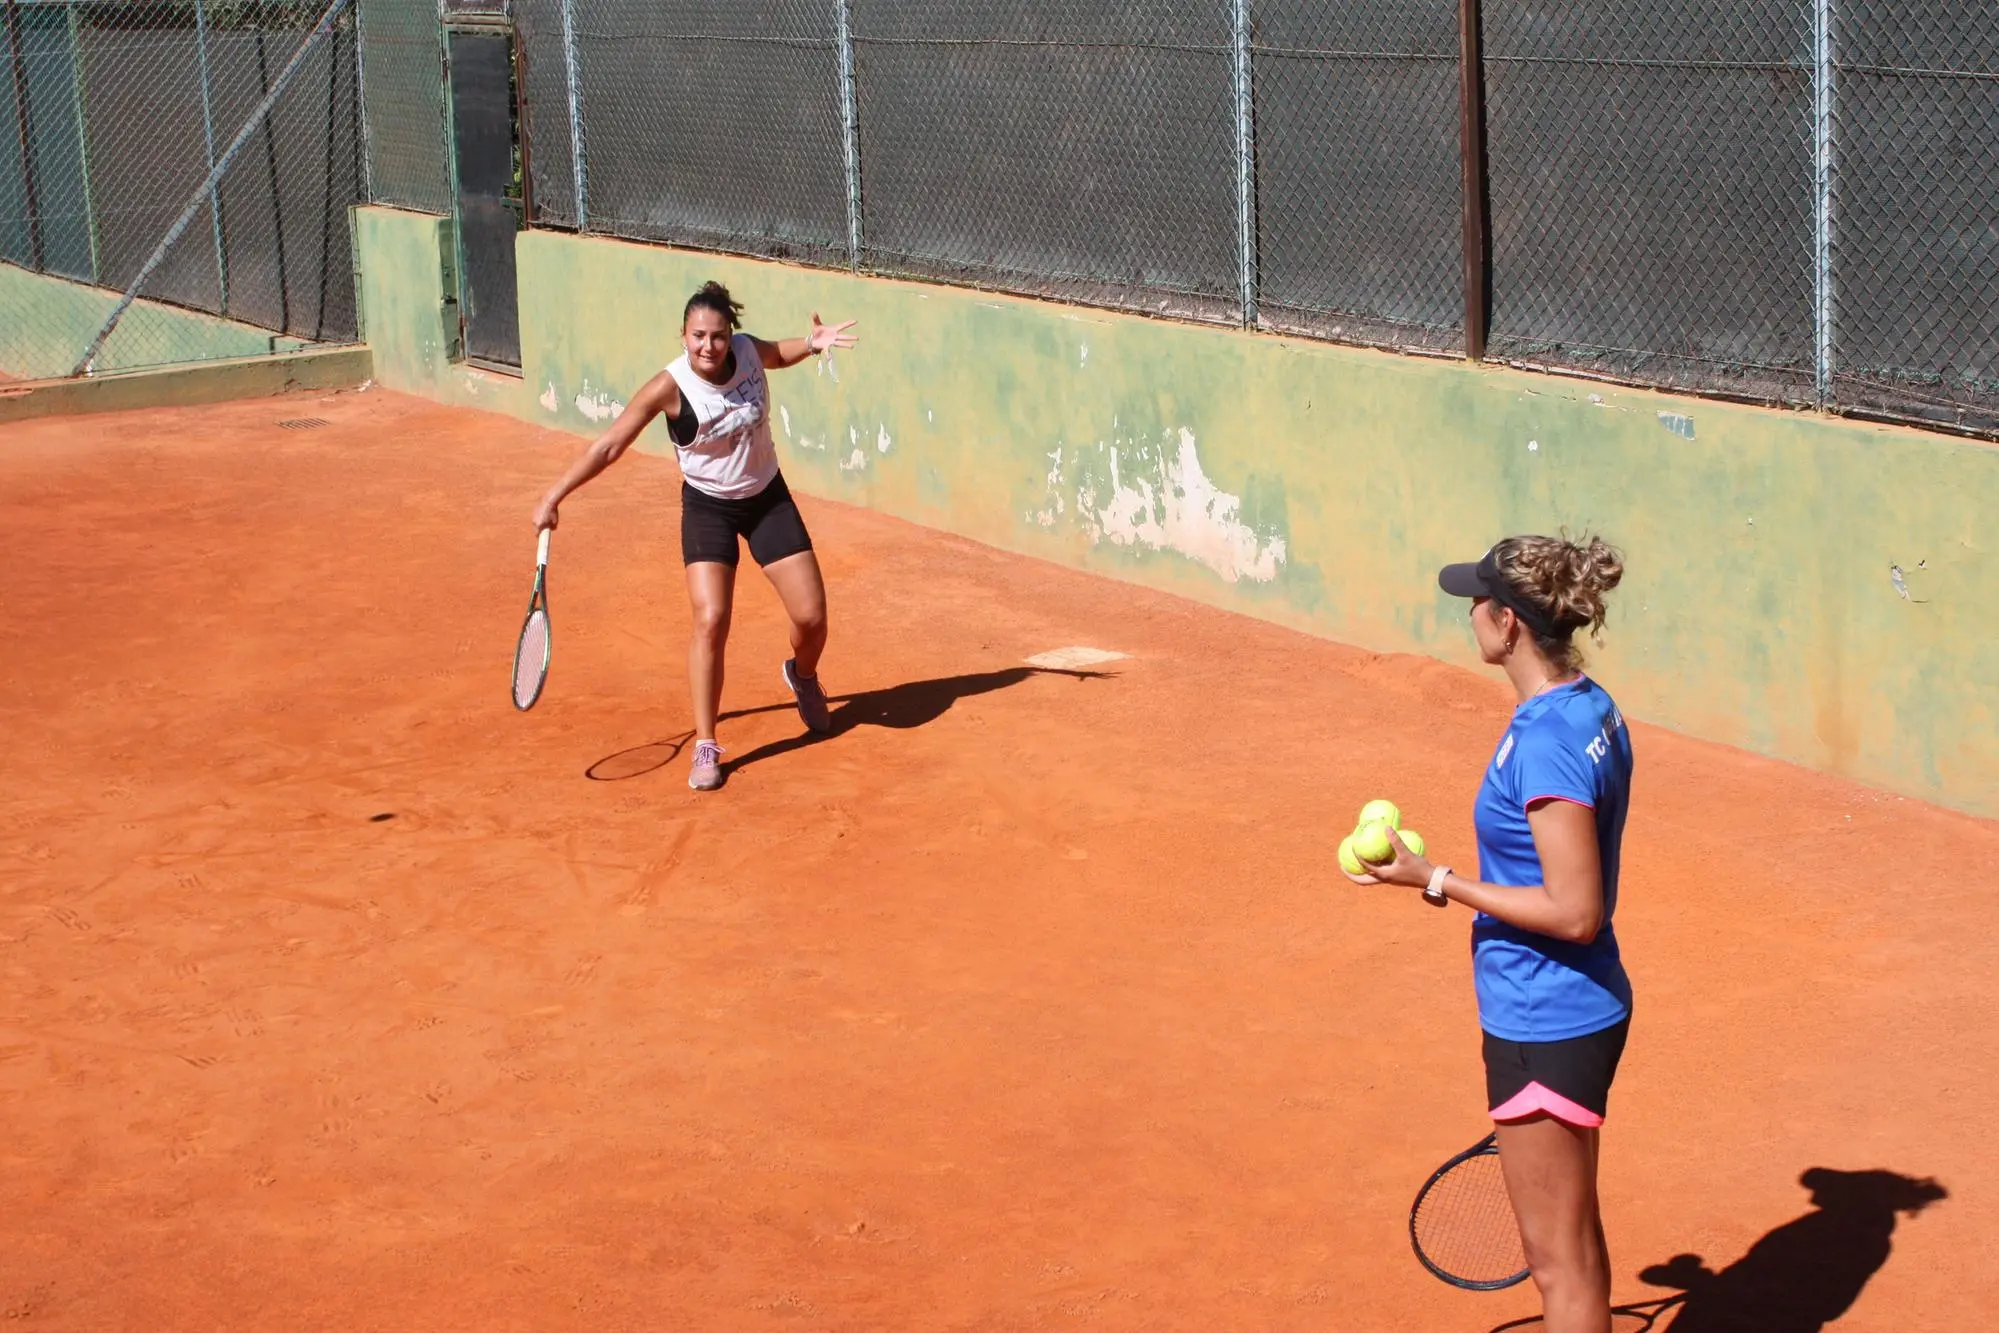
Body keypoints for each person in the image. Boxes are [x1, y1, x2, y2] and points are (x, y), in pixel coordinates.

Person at [1345, 534, 1633, 1333]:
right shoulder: (1586, 705)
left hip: (1543, 1017)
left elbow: (1577, 911)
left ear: (1507, 624)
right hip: (1575, 1010)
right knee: (1575, 1246)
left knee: (1557, 1266)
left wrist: (1434, 878)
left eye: (1476, 600)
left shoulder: (1543, 741)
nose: (1466, 611)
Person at [532, 281, 858, 791]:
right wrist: (555, 495)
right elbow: (610, 446)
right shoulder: (670, 387)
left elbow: (778, 354)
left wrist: (812, 343)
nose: (710, 346)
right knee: (711, 619)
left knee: (812, 617)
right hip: (708, 508)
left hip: (767, 498)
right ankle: (707, 743)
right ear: (683, 336)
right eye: (699, 336)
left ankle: (803, 674)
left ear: (731, 335)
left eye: (719, 336)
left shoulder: (747, 352)